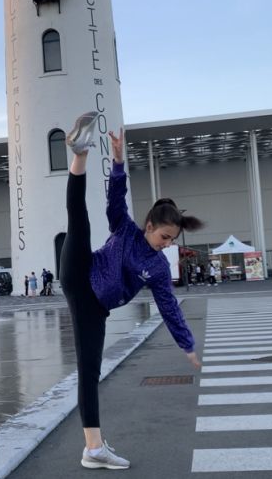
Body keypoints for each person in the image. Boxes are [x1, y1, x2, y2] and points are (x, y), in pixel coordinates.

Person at [59, 112, 203, 470]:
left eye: (172, 240)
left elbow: (169, 307)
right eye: (164, 236)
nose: (166, 244)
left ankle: (93, 449)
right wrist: (119, 162)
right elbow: (117, 196)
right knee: (79, 220)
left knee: (89, 370)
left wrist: (187, 344)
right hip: (80, 270)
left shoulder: (158, 267)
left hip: (94, 307)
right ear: (149, 225)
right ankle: (80, 152)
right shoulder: (124, 228)